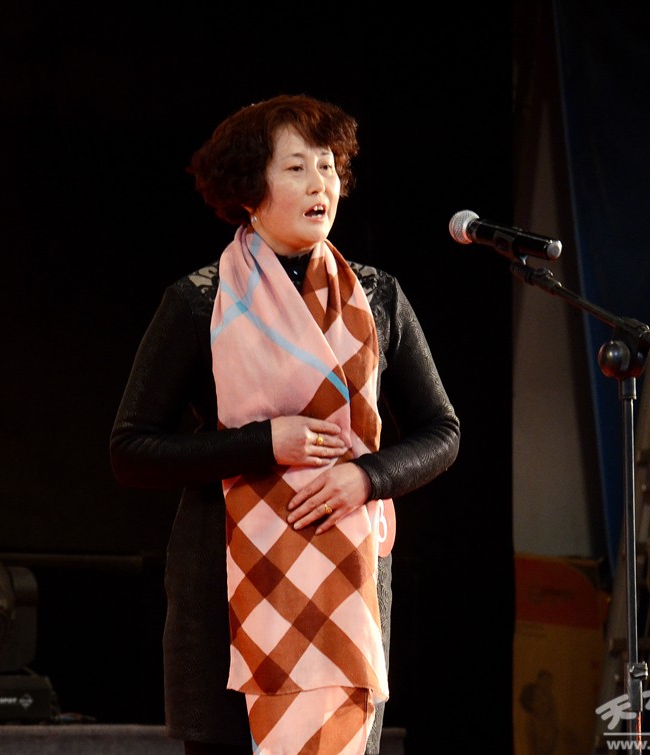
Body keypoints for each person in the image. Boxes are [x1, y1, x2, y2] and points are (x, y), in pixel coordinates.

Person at [110, 94, 460, 755]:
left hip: (348, 584)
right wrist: (263, 443)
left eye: (328, 167)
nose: (320, 183)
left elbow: (443, 431)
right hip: (225, 587)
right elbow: (131, 450)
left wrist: (366, 477)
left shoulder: (378, 296)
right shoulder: (199, 301)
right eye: (296, 167)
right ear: (250, 190)